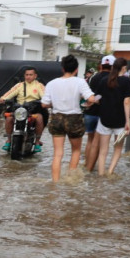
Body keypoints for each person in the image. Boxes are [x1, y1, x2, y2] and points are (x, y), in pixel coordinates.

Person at [41, 54, 96, 182]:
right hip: (74, 119)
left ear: (63, 69)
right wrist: (88, 102)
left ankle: (55, 183)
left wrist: (56, 102)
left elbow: (44, 104)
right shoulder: (80, 82)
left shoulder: (51, 83)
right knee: (76, 151)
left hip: (56, 118)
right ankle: (70, 180)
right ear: (76, 69)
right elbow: (91, 98)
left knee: (57, 154)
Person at [90, 58, 130, 176]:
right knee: (118, 148)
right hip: (120, 123)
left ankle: (100, 175)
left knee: (103, 151)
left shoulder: (105, 80)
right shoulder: (127, 81)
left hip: (104, 120)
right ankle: (110, 172)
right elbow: (127, 102)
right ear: (124, 68)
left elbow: (96, 99)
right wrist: (127, 122)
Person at [0, 66, 46, 153]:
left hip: (33, 109)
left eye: (31, 75)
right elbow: (10, 93)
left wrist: (45, 101)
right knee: (9, 118)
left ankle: (37, 142)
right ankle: (8, 141)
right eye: (26, 74)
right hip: (19, 109)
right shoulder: (19, 85)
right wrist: (3, 98)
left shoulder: (39, 86)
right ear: (24, 75)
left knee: (40, 118)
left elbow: (45, 96)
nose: (28, 76)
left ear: (35, 76)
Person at [84, 55, 114, 171]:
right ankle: (93, 167)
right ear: (113, 67)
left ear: (101, 65)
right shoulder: (113, 79)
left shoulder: (93, 77)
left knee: (90, 141)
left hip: (90, 112)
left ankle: (87, 165)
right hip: (103, 114)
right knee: (99, 144)